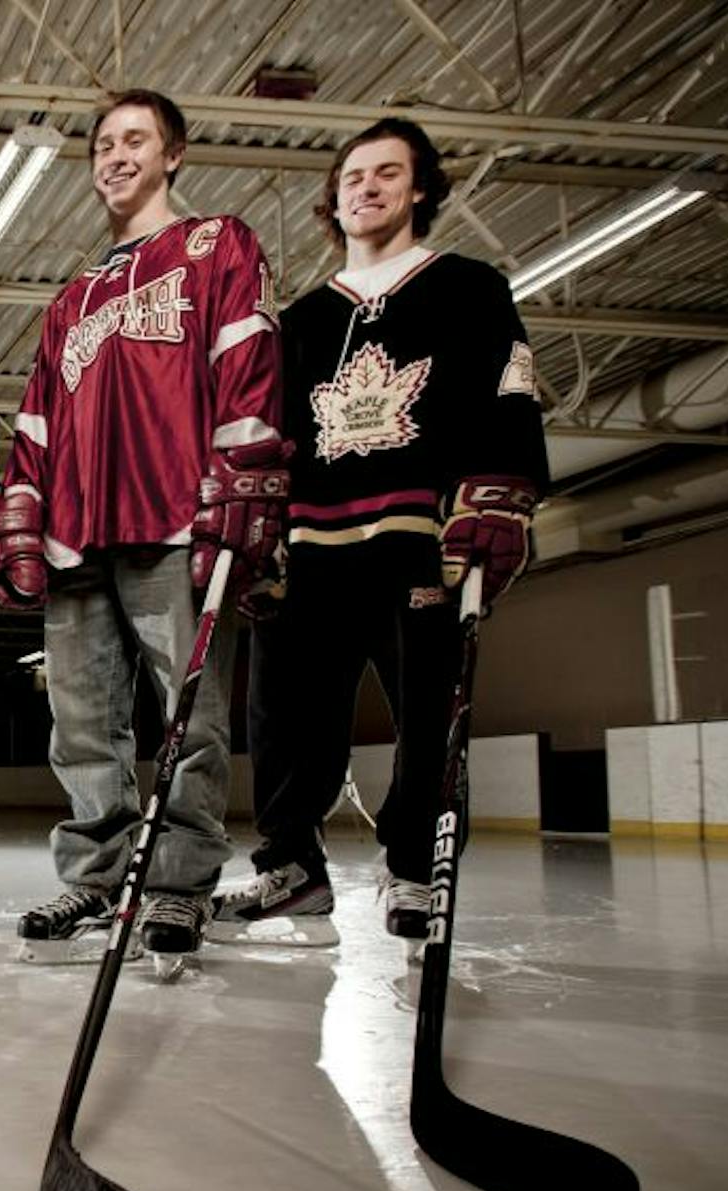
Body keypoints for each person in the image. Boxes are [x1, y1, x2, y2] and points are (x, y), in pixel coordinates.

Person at [210, 117, 546, 945]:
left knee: (431, 712)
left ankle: (412, 868)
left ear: (420, 188)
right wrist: (257, 525)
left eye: (387, 173)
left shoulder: (468, 287)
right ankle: (291, 868)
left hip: (416, 539)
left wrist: (500, 493)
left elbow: (508, 391)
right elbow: (272, 436)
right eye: (354, 174)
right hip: (312, 551)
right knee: (283, 718)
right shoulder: (302, 320)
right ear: (335, 195)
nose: (366, 186)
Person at [0, 89, 287, 973]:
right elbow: (35, 421)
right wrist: (21, 508)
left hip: (173, 519)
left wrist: (243, 475)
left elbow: (248, 364)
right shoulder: (71, 299)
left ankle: (179, 883)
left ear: (172, 154)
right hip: (77, 534)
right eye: (103, 143)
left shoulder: (216, 244)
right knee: (81, 725)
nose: (114, 155)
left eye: (134, 140)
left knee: (190, 718)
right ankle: (96, 877)